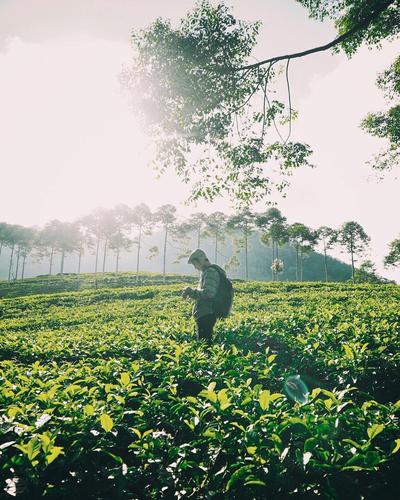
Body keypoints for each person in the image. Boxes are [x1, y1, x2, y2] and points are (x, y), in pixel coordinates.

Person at [182, 249, 226, 345]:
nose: (195, 267)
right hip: (206, 313)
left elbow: (209, 294)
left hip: (207, 314)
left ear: (199, 261)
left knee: (204, 345)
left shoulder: (210, 272)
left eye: (195, 264)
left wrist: (191, 292)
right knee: (205, 343)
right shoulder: (208, 271)